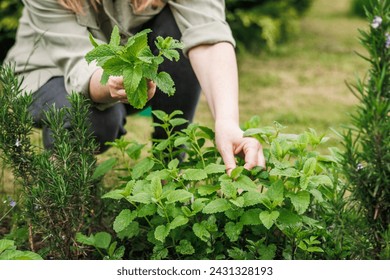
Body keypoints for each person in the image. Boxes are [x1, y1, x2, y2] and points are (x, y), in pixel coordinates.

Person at [4, 0, 265, 173]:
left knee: (178, 35)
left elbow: (207, 34)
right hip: (47, 73)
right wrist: (114, 84)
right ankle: (66, 186)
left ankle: (170, 166)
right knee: (94, 120)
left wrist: (228, 122)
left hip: (129, 73)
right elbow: (80, 65)